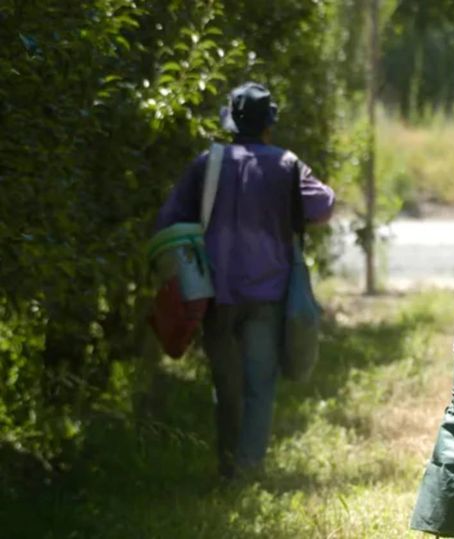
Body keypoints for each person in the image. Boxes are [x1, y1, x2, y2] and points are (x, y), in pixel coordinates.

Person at [155, 82, 335, 479]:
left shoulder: (207, 164)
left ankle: (226, 465)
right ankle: (248, 469)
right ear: (269, 124)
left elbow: (167, 224)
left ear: (231, 123)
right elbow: (323, 206)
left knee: (226, 388)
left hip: (214, 295)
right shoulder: (287, 165)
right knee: (259, 387)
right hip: (268, 295)